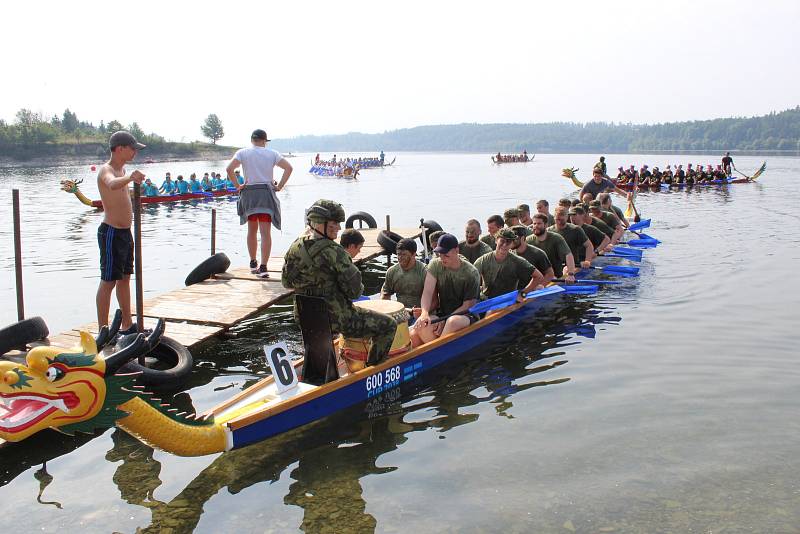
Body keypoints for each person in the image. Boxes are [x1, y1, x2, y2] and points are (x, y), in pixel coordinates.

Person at [282, 199, 396, 366]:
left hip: (304, 315)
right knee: (388, 325)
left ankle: (318, 365)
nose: (338, 228)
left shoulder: (295, 247)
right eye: (334, 223)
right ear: (320, 224)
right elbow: (355, 292)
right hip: (336, 318)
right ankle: (372, 369)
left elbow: (286, 282)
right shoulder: (336, 252)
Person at [95, 131, 146, 334]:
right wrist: (129, 178)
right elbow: (112, 184)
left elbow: (122, 190)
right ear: (120, 149)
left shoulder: (122, 169)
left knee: (125, 278)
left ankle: (127, 324)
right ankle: (103, 330)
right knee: (108, 281)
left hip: (125, 233)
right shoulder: (106, 170)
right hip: (111, 233)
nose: (135, 152)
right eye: (132, 148)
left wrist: (135, 185)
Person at [227, 129, 293, 278]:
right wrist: (280, 186)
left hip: (249, 193)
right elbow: (289, 168)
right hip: (265, 192)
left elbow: (229, 169)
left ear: (252, 140)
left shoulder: (242, 153)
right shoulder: (272, 153)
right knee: (265, 233)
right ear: (264, 141)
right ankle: (263, 268)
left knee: (251, 230)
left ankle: (252, 263)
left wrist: (238, 186)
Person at [411, 234, 481, 346]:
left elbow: (468, 305)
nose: (442, 258)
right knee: (421, 326)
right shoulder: (435, 264)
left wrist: (446, 319)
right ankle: (433, 350)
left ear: (456, 250)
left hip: (466, 315)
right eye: (440, 254)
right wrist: (424, 313)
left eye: (446, 255)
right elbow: (427, 292)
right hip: (443, 313)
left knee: (452, 322)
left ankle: (436, 350)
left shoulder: (471, 273)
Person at [474, 228, 545, 300]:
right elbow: (472, 280)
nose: (504, 245)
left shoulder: (517, 261)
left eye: (508, 242)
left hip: (507, 301)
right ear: (496, 240)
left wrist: (523, 293)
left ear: (512, 244)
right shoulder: (483, 260)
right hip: (486, 300)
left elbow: (538, 277)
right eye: (502, 241)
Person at [526, 214, 578, 282]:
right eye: (534, 223)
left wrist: (571, 274)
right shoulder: (528, 240)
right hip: (536, 278)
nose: (536, 226)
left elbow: (568, 255)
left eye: (539, 223)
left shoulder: (557, 238)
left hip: (555, 277)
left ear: (546, 225)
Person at [381, 238, 427, 309]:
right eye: (398, 254)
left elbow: (432, 298)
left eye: (404, 254)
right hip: (401, 311)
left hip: (421, 311)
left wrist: (424, 311)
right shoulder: (392, 271)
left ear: (413, 254)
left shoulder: (424, 271)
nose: (400, 257)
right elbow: (385, 294)